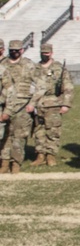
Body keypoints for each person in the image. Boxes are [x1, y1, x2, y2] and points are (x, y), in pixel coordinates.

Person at [30, 42, 73, 167]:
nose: (45, 55)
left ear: (51, 53)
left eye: (47, 53)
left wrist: (66, 104)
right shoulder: (35, 68)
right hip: (38, 104)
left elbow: (68, 86)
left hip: (54, 103)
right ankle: (40, 155)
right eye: (43, 53)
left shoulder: (59, 68)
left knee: (53, 131)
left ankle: (51, 155)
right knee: (39, 131)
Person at [0, 39, 37, 173]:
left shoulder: (28, 64)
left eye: (17, 50)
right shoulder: (2, 64)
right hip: (5, 105)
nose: (14, 53)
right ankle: (4, 163)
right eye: (12, 50)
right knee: (5, 136)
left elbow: (41, 85)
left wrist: (32, 103)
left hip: (22, 105)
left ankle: (15, 163)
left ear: (21, 50)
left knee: (19, 136)